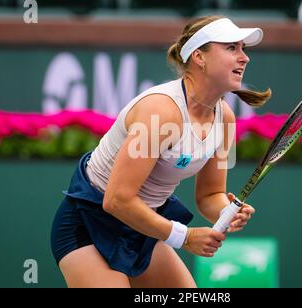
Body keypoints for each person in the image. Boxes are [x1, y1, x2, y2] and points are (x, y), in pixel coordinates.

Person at [50, 15, 271, 288]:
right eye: (231, 48)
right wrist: (185, 237)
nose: (244, 58)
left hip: (142, 227)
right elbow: (116, 200)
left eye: (243, 49)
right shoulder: (161, 112)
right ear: (199, 57)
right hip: (89, 223)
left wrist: (227, 212)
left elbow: (209, 195)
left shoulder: (225, 119)